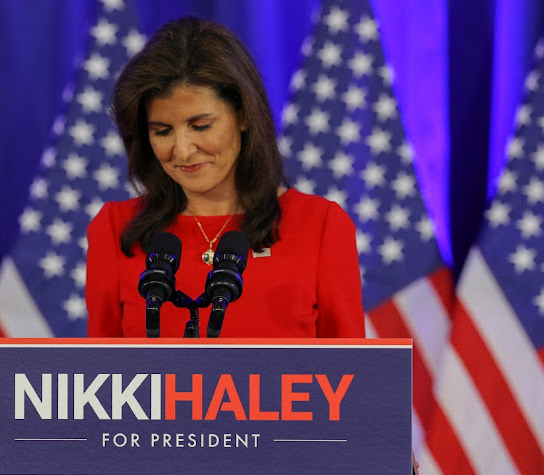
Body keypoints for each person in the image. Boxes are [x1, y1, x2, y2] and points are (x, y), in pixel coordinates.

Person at [86, 16, 365, 341]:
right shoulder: (114, 228)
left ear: (244, 115)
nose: (184, 151)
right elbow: (100, 380)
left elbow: (352, 380)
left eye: (201, 126)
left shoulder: (321, 226)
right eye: (162, 131)